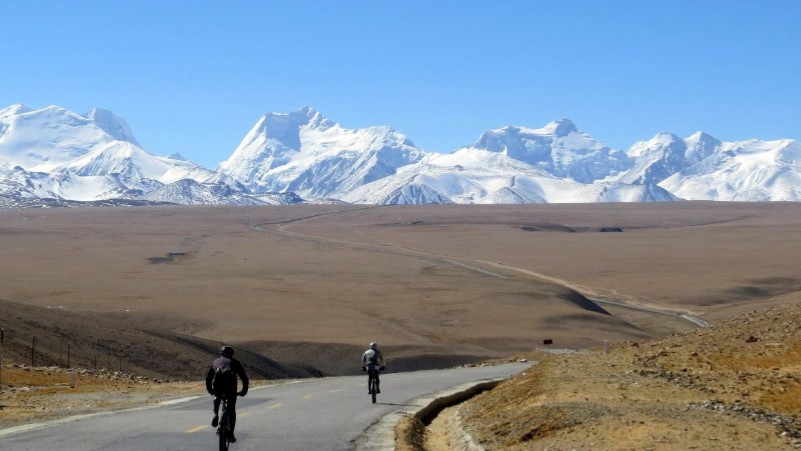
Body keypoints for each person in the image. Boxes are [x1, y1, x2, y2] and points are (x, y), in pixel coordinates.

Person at [205, 345, 249, 443]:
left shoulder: (215, 362)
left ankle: (216, 414)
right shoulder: (235, 362)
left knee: (217, 396)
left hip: (218, 384)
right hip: (230, 386)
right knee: (231, 409)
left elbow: (208, 379)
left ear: (221, 353)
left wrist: (211, 390)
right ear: (232, 354)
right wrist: (243, 391)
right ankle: (231, 434)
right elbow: (244, 378)